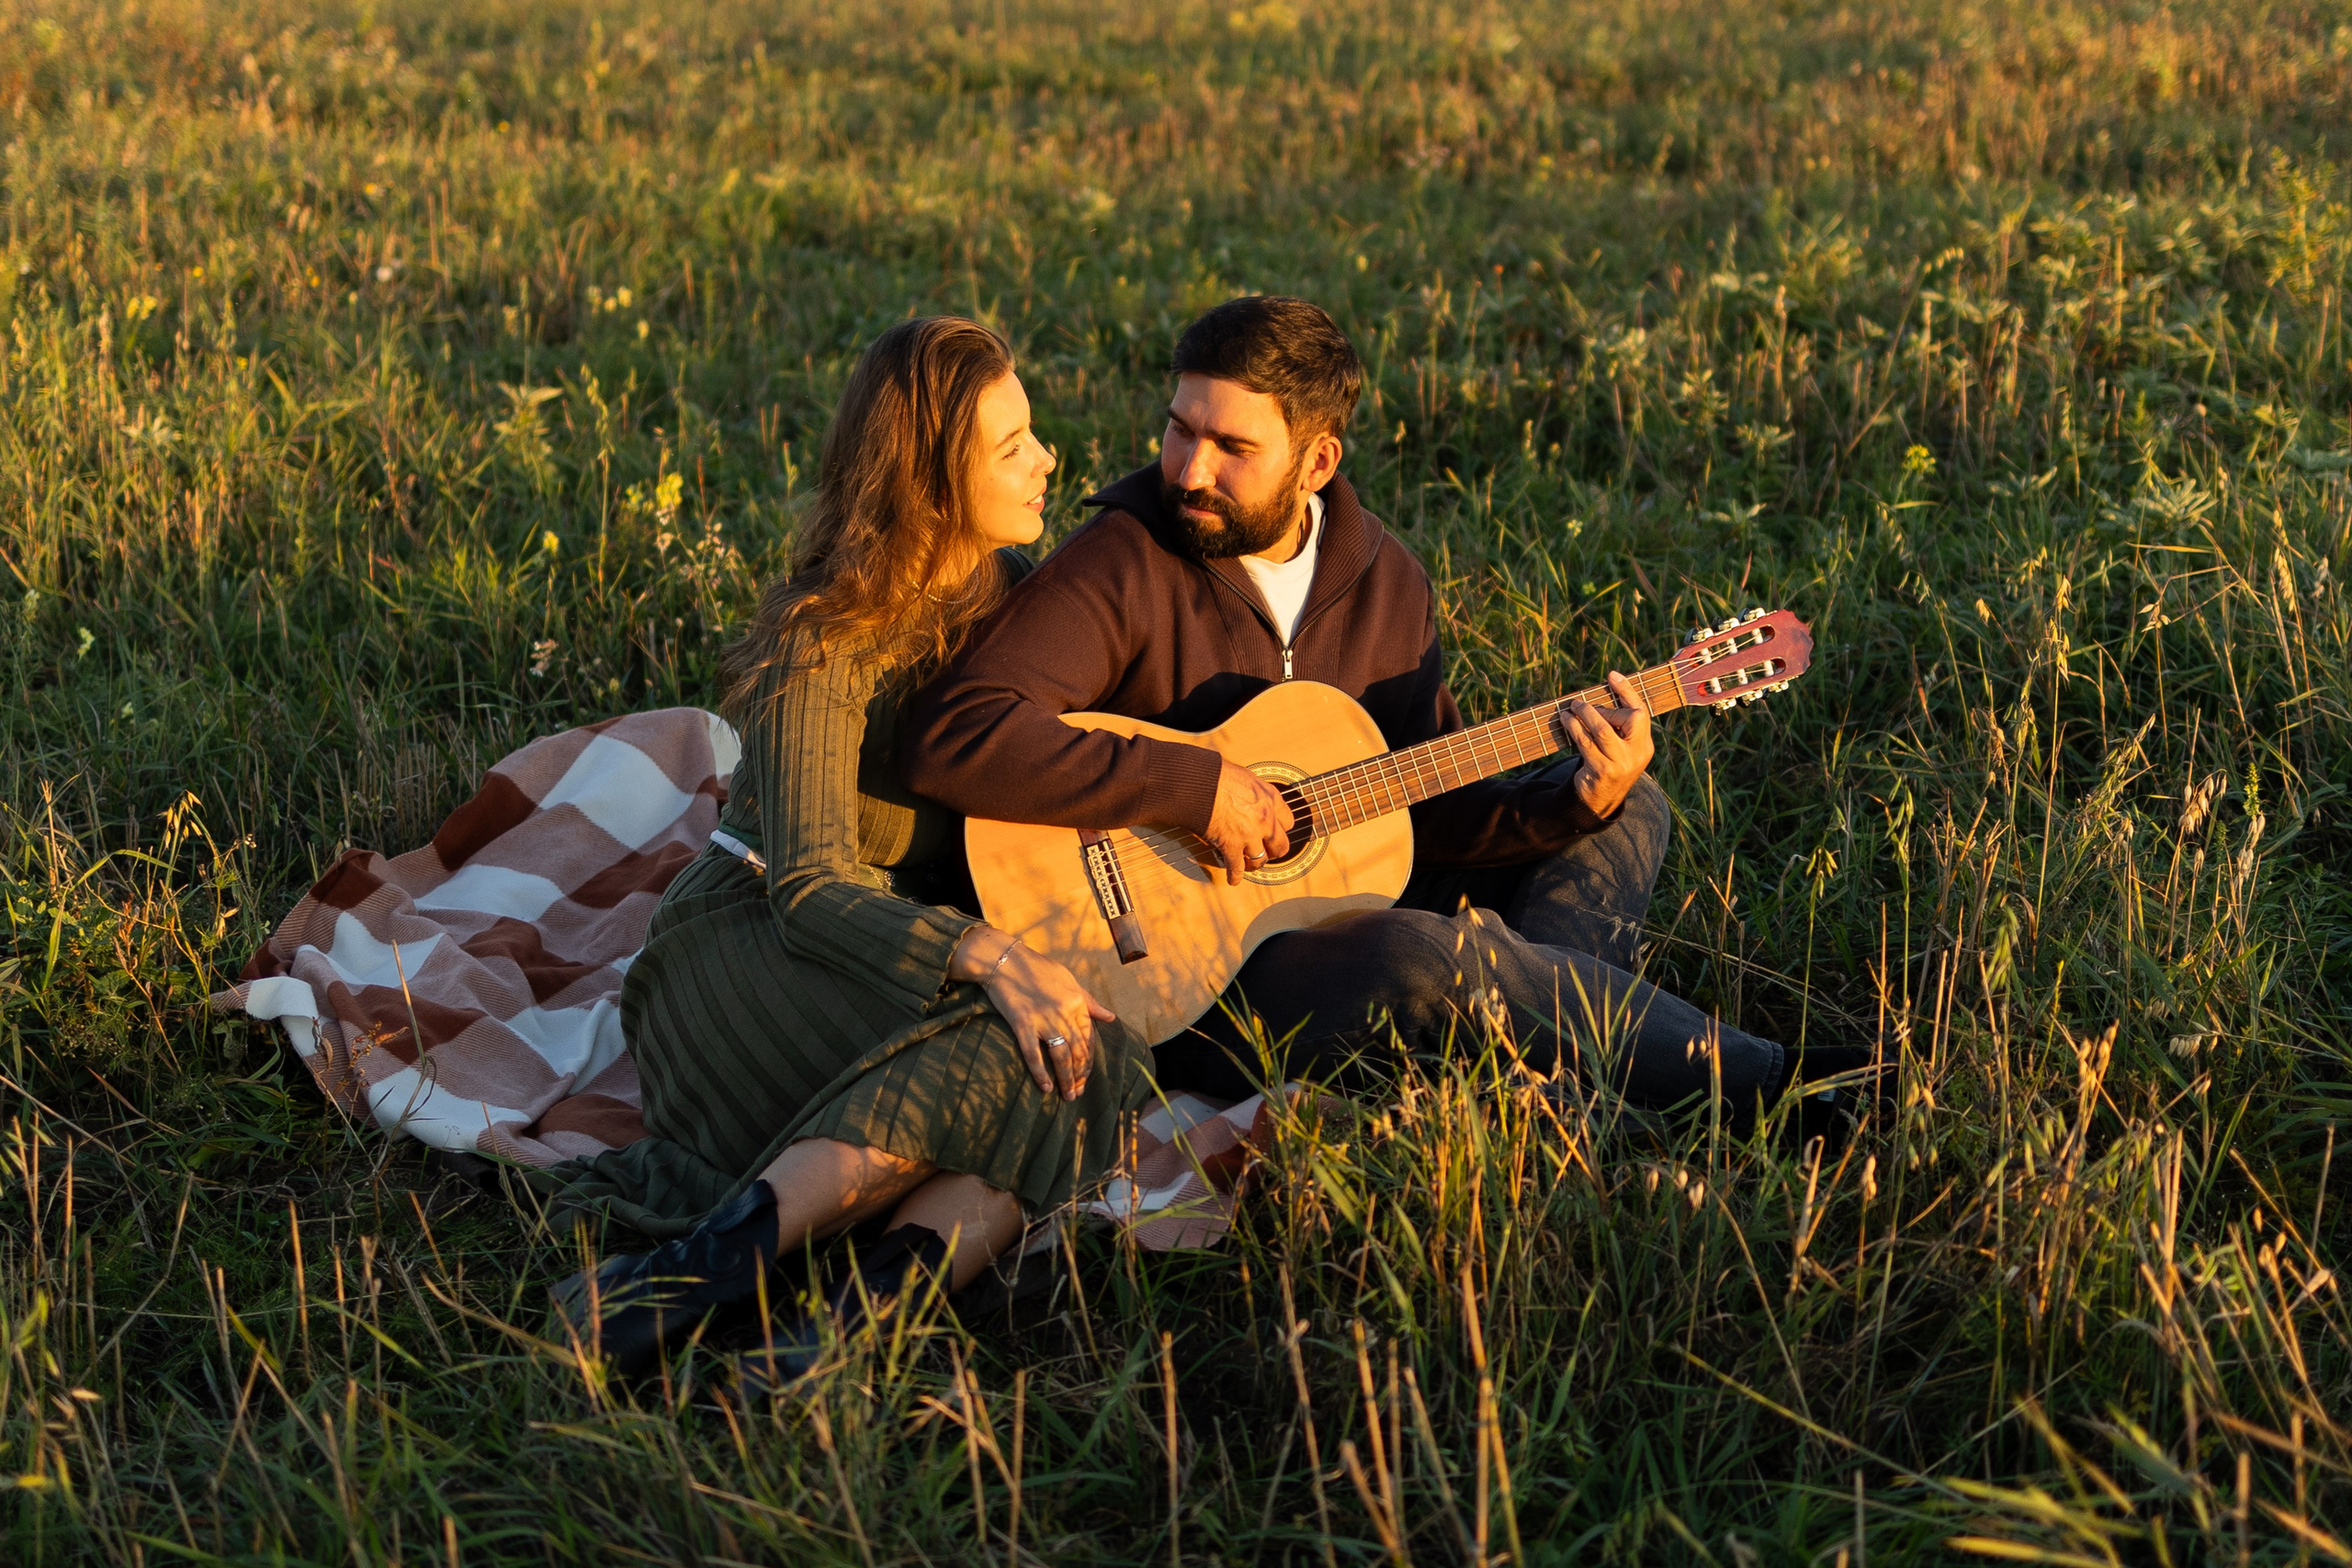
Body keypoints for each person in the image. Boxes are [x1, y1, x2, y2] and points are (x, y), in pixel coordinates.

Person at [906, 295, 1847, 1126]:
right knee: (1425, 956)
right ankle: (1777, 1086)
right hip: (1187, 983)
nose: (1188, 470)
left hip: (1338, 900)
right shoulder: (1124, 558)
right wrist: (1194, 787)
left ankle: (1558, 1087)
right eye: (1180, 428)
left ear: (1316, 460)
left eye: (1232, 447)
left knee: (1627, 809)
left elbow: (1419, 809)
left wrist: (1573, 800)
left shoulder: (1385, 584)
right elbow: (958, 733)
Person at [545, 317, 1150, 1381]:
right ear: (927, 478)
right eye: (1010, 447)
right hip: (749, 948)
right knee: (1029, 1058)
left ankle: (842, 1331)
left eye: (1032, 434)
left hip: (901, 963)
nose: (1046, 458)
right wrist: (993, 956)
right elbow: (811, 886)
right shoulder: (827, 636)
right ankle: (701, 1274)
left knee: (1088, 1059)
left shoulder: (1018, 597)